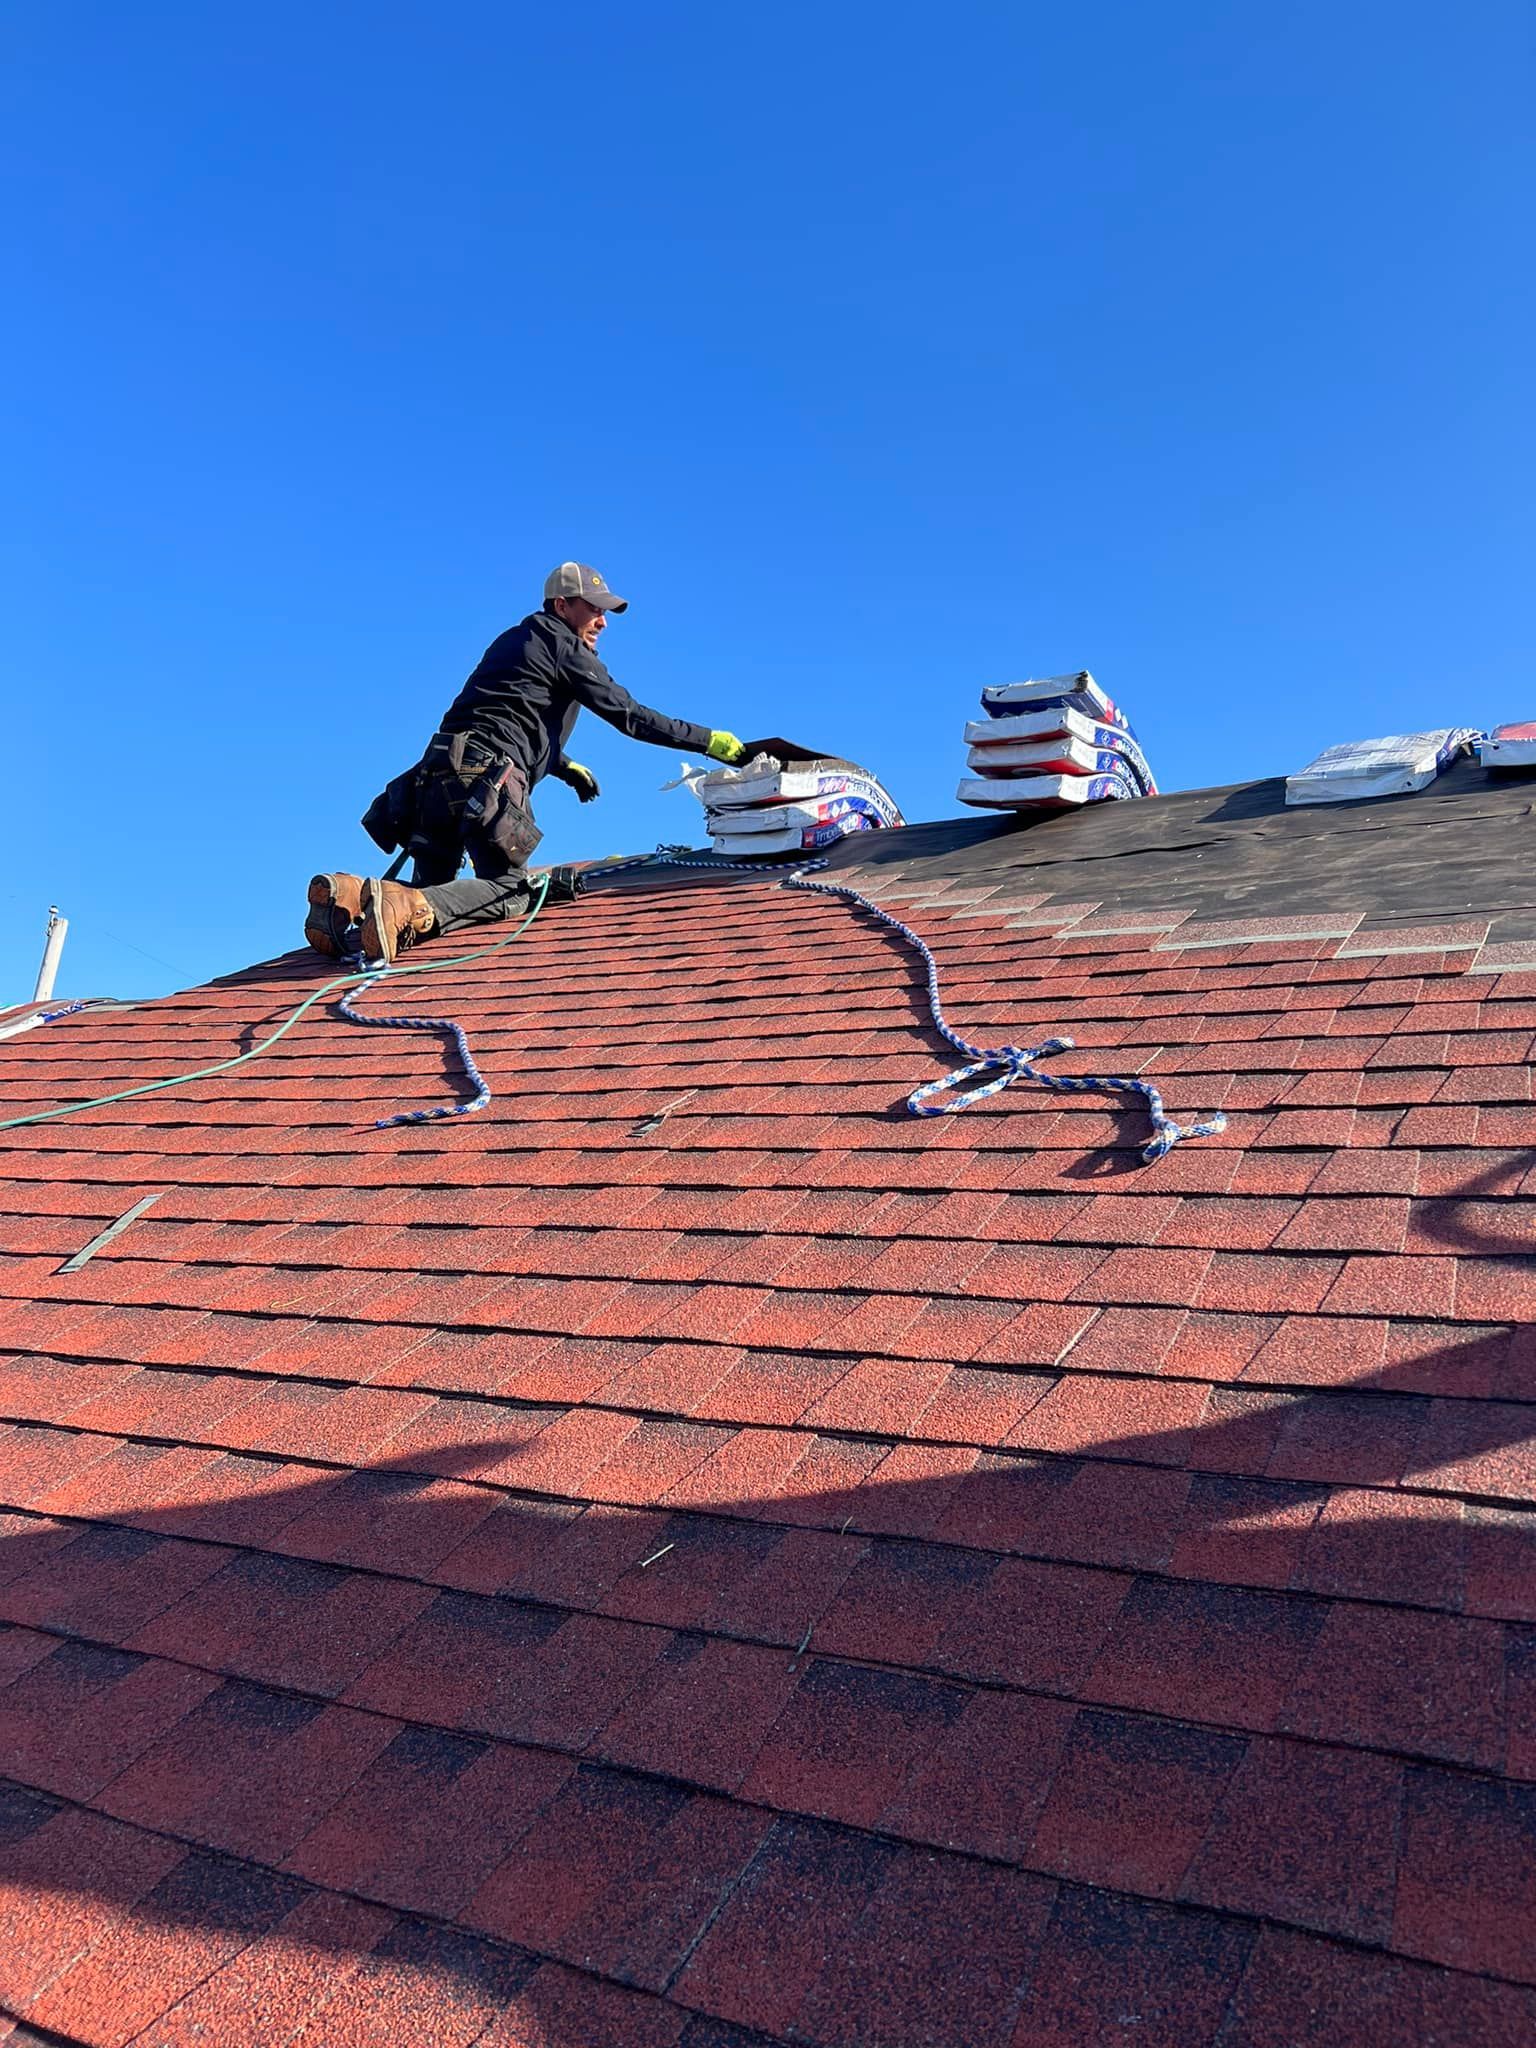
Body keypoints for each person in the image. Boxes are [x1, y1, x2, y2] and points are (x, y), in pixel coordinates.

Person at [304, 561, 752, 962]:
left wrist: (561, 763)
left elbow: (505, 710)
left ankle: (348, 896)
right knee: (510, 890)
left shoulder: (514, 639)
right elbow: (630, 716)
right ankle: (398, 904)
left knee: (431, 897)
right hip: (486, 780)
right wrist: (708, 741)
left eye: (606, 612)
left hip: (434, 778)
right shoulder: (564, 645)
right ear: (562, 605)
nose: (602, 621)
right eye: (593, 609)